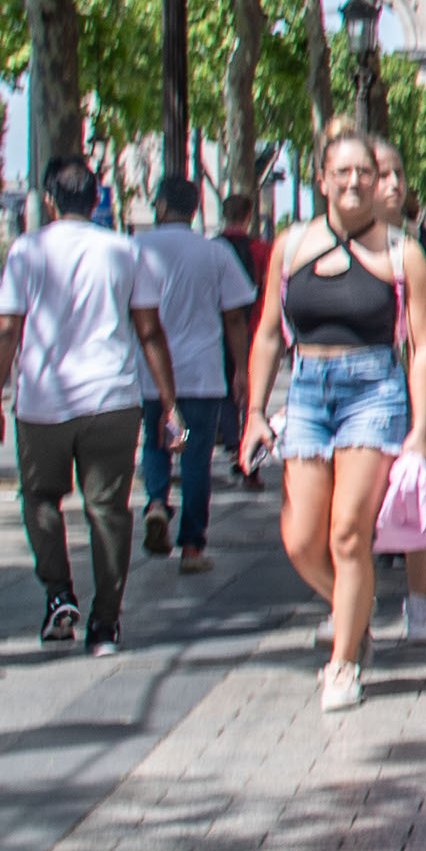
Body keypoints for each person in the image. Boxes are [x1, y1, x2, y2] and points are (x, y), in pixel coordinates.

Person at [238, 121, 426, 711]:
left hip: (374, 392)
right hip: (307, 390)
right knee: (301, 538)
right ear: (322, 180)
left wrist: (418, 428)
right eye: (345, 171)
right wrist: (255, 411)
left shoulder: (402, 251)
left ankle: (343, 663)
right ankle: (353, 614)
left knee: (347, 532)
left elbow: (422, 345)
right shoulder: (290, 246)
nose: (357, 180)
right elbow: (265, 336)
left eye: (367, 171)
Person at [0, 153, 183, 655]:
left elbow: (6, 328)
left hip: (41, 402)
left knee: (39, 499)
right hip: (112, 399)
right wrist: (169, 402)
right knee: (109, 511)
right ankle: (105, 624)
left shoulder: (25, 251)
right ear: (97, 198)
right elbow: (149, 331)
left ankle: (58, 595)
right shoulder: (124, 250)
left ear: (48, 201)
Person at [128, 175, 256, 574]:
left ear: (160, 207)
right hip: (201, 375)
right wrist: (241, 371)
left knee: (158, 442)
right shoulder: (214, 252)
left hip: (152, 375)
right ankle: (192, 547)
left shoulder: (134, 248)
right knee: (195, 456)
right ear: (197, 208)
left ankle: (155, 503)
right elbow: (235, 316)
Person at [371, 138, 426, 645]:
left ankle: (420, 604)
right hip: (360, 384)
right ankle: (351, 603)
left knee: (419, 494)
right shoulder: (331, 246)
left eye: (397, 173)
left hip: (418, 384)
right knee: (356, 498)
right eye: (381, 173)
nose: (391, 183)